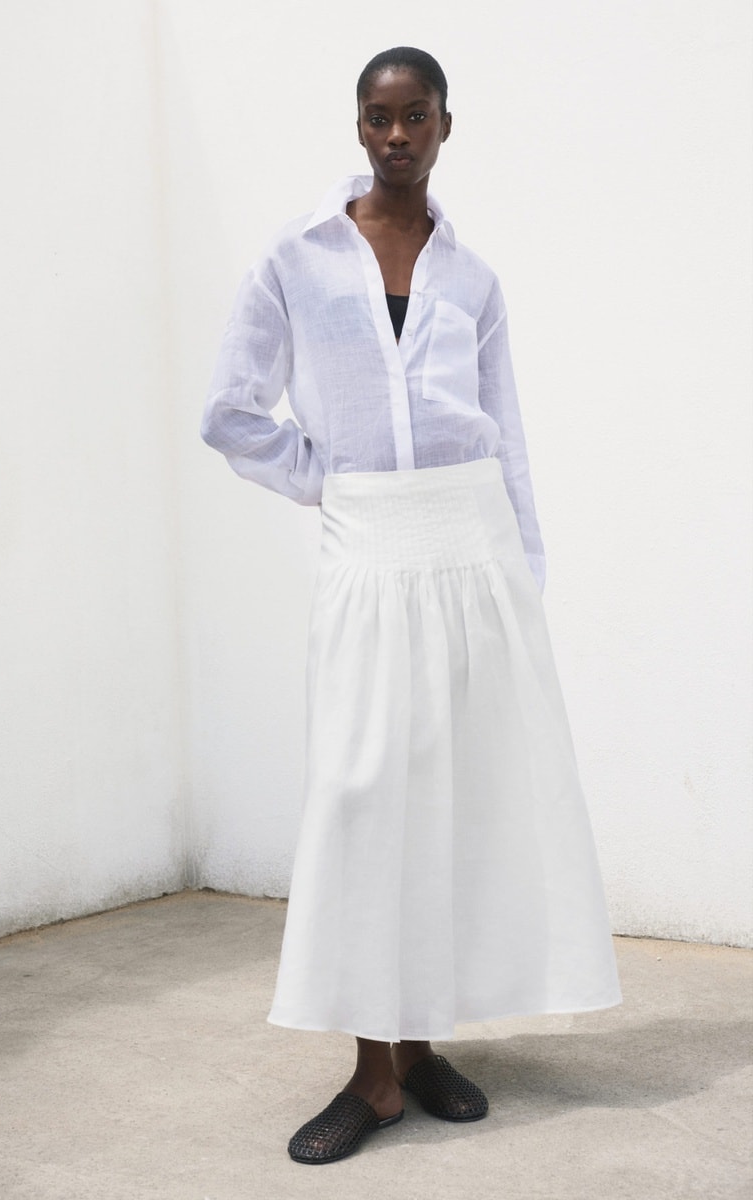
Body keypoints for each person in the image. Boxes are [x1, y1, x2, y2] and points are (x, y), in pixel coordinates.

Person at [201, 47, 622, 1165]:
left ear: (444, 126)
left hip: (473, 543)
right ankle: (371, 1075)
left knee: (451, 803)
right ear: (358, 125)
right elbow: (229, 410)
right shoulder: (295, 259)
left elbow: (506, 432)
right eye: (378, 116)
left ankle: (422, 1048)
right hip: (370, 546)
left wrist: (526, 571)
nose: (396, 135)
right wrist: (326, 479)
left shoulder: (472, 277)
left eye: (416, 116)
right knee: (362, 800)